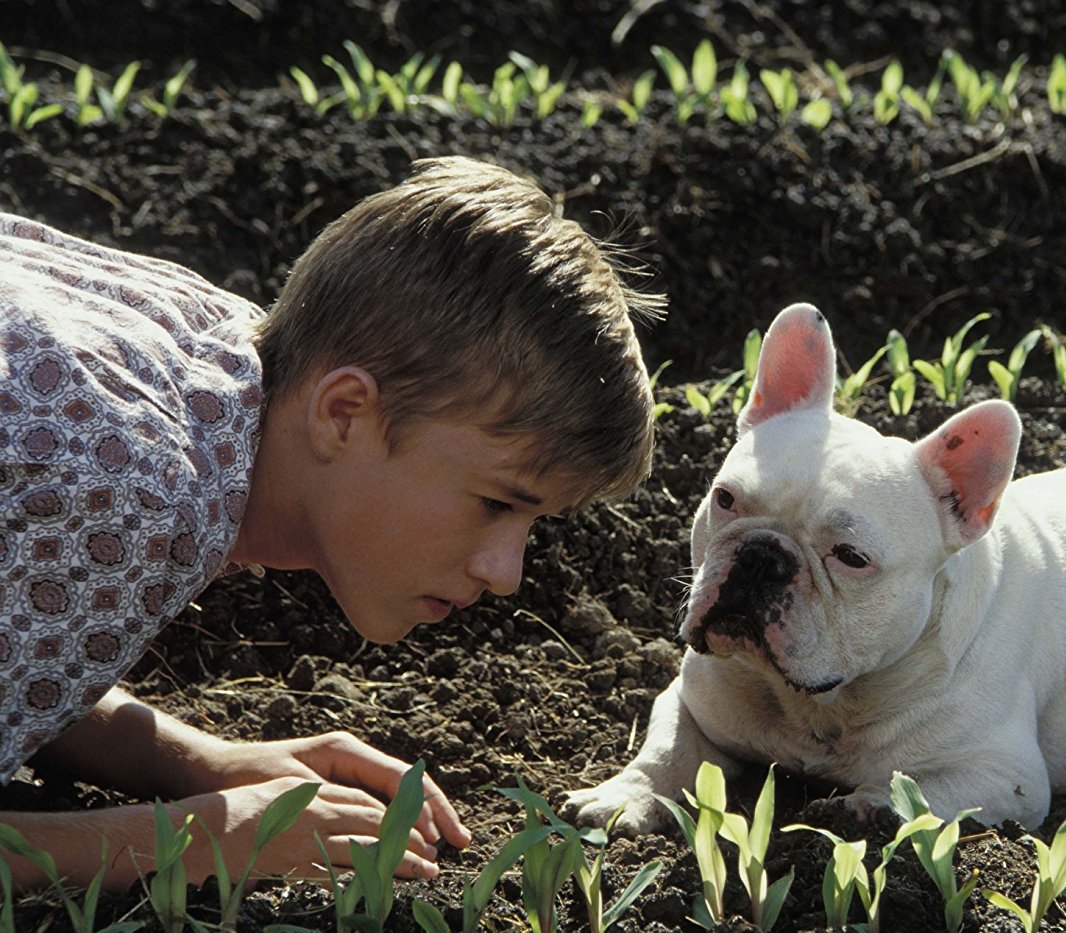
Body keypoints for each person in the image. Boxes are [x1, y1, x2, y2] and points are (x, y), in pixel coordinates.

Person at [0, 156, 663, 890]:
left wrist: (196, 762)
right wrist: (200, 839)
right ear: (342, 413)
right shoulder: (137, 498)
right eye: (497, 502)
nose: (505, 572)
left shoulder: (201, 351)